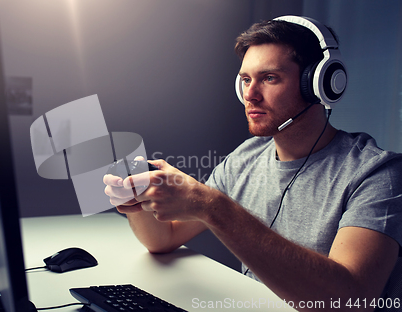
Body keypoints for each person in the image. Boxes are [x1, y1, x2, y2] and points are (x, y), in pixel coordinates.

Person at [103, 16, 402, 311]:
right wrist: (136, 199)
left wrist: (212, 206)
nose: (250, 94)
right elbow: (163, 238)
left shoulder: (376, 174)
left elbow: (350, 301)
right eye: (246, 79)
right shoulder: (246, 157)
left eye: (269, 78)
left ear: (318, 83)